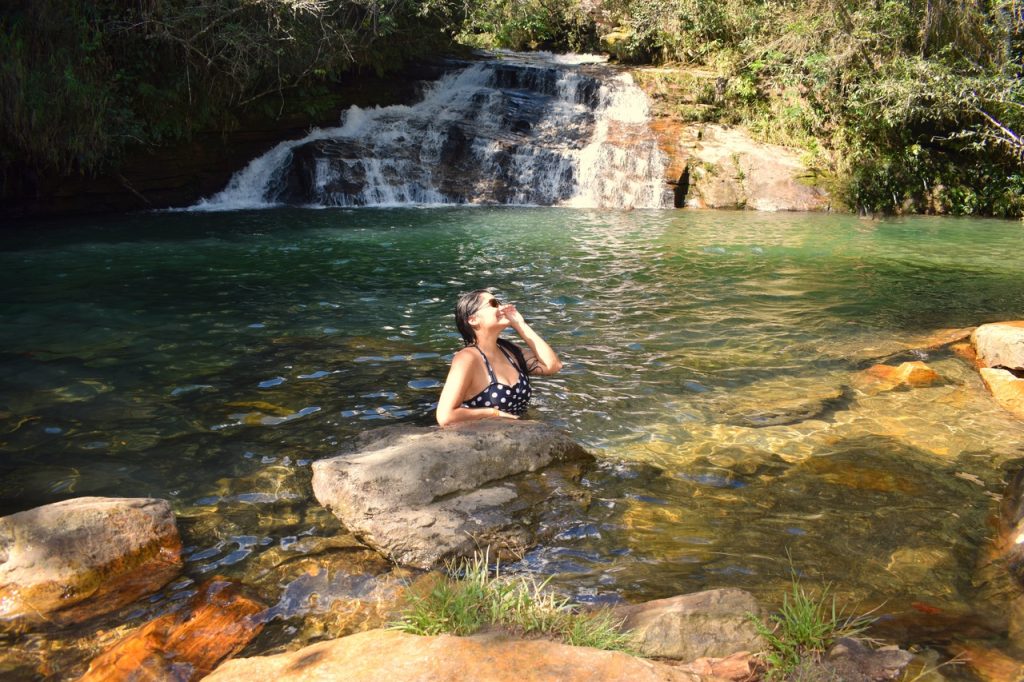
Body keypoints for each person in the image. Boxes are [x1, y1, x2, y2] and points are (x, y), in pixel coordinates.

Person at [436, 289, 562, 426]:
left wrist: (520, 324)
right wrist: (493, 414)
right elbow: (445, 416)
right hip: (485, 441)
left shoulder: (509, 351)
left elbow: (553, 366)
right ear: (473, 319)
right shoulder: (467, 358)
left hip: (519, 436)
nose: (502, 307)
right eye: (494, 303)